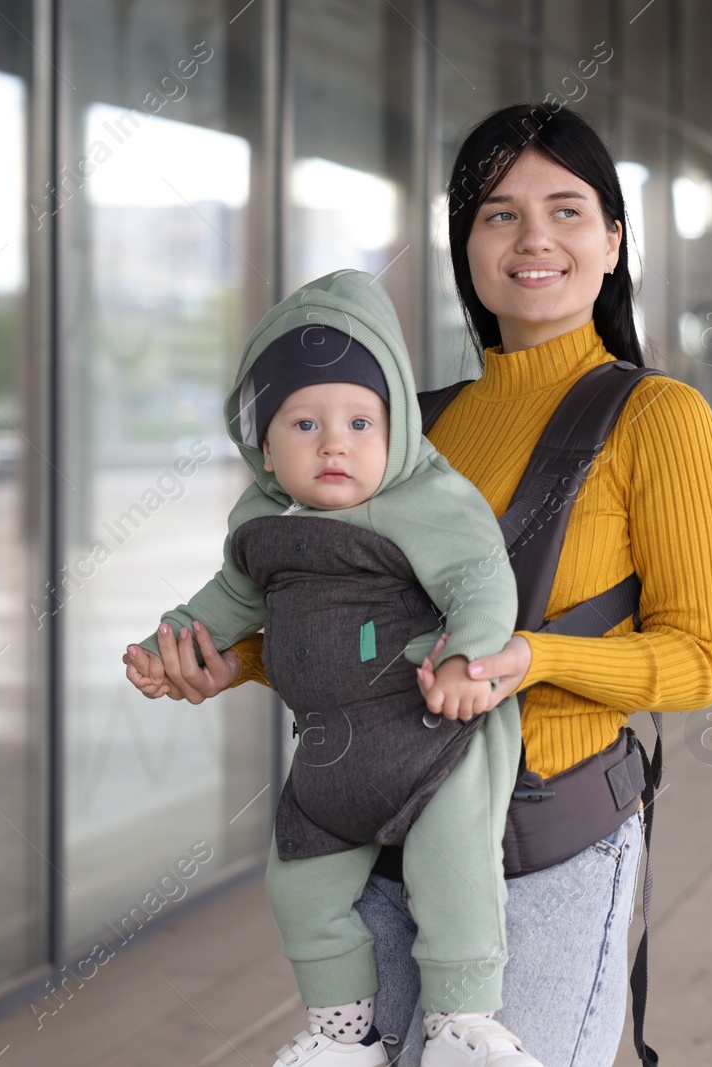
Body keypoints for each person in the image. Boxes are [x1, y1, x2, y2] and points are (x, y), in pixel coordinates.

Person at [134, 102, 712, 1066]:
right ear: (466, 245)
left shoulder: (659, 419)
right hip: (380, 843)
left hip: (545, 846)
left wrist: (527, 656)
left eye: (567, 208)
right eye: (499, 213)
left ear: (614, 238)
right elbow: (350, 622)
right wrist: (234, 662)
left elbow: (700, 659)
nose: (534, 237)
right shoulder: (407, 428)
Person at [123, 268, 545, 1067]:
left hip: (431, 739)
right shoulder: (261, 524)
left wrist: (467, 658)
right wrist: (169, 643)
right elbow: (228, 599)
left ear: (396, 430)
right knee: (298, 891)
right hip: (324, 762)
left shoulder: (428, 497)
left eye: (359, 420)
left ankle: (465, 1027)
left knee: (453, 877)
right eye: (304, 424)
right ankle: (342, 1038)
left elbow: (480, 578)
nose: (335, 443)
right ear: (264, 445)